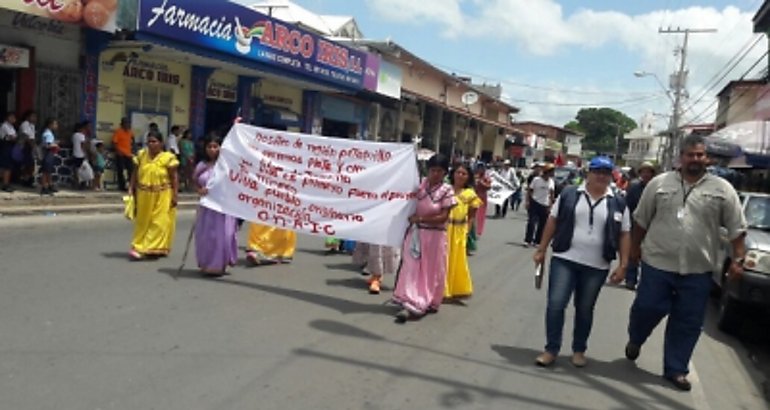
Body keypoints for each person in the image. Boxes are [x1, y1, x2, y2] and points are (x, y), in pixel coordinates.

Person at [625, 135, 746, 391]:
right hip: (657, 263)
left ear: (707, 158)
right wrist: (634, 250)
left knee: (688, 321)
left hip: (698, 269)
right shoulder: (658, 183)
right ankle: (636, 337)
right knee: (647, 307)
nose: (695, 159)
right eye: (691, 155)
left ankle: (676, 369)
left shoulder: (722, 189)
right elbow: (641, 220)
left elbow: (737, 229)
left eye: (700, 155)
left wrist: (739, 259)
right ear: (681, 157)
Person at [532, 156, 630, 368]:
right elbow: (553, 220)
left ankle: (579, 350)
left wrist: (623, 265)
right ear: (589, 173)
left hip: (597, 266)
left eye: (606, 173)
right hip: (565, 258)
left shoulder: (618, 201)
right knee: (556, 304)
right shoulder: (569, 194)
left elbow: (624, 234)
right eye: (597, 172)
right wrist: (541, 249)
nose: (601, 177)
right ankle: (551, 349)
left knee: (585, 309)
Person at [392, 154, 456, 323]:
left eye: (439, 171)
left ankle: (421, 302)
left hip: (434, 236)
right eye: (433, 170)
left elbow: (443, 217)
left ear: (445, 173)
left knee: (429, 270)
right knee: (411, 267)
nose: (435, 174)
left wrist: (420, 219)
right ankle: (407, 300)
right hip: (416, 234)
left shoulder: (447, 190)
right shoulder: (419, 186)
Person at [128, 131, 179, 260]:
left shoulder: (168, 157)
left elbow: (174, 177)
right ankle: (141, 244)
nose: (151, 144)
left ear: (161, 143)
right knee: (143, 221)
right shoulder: (141, 155)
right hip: (143, 193)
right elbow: (135, 173)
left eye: (154, 141)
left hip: (163, 193)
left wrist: (175, 195)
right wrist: (131, 188)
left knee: (159, 221)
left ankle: (144, 248)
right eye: (149, 141)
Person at [194, 136, 238, 277]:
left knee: (223, 236)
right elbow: (194, 181)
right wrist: (200, 190)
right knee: (207, 236)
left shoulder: (226, 165)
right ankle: (207, 264)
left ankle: (220, 265)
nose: (212, 150)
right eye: (209, 147)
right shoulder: (202, 165)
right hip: (207, 208)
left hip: (223, 207)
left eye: (215, 146)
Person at [445, 163, 482, 300]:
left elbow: (472, 216)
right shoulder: (445, 190)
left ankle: (454, 288)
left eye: (464, 174)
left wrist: (467, 231)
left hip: (459, 230)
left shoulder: (470, 194)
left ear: (468, 177)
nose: (460, 176)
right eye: (458, 172)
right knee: (442, 259)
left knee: (455, 259)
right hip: (443, 228)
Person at [623, 162, 656, 290]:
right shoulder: (635, 188)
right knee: (634, 251)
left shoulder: (657, 187)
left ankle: (646, 282)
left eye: (649, 172)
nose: (646, 174)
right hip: (635, 223)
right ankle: (630, 278)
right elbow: (628, 205)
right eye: (644, 172)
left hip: (653, 226)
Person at [524, 163, 555, 247]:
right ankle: (528, 240)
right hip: (535, 202)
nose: (552, 174)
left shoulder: (551, 182)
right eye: (551, 172)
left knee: (542, 224)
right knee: (531, 222)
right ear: (547, 172)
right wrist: (527, 202)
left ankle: (537, 241)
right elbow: (529, 191)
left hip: (545, 204)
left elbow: (551, 194)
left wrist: (551, 205)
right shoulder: (536, 180)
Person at [112, 117, 135, 192]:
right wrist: (118, 151)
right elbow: (114, 142)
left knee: (131, 170)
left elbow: (132, 141)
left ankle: (131, 185)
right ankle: (122, 186)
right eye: (126, 123)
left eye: (128, 123)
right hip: (120, 154)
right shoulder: (118, 132)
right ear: (122, 124)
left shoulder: (130, 132)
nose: (127, 125)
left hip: (128, 154)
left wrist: (133, 151)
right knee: (120, 171)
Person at [38, 118, 59, 196]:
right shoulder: (48, 133)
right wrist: (55, 145)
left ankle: (49, 185)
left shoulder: (48, 133)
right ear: (50, 125)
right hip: (48, 154)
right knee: (45, 171)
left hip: (49, 154)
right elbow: (48, 145)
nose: (56, 126)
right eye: (55, 124)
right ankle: (44, 187)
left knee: (48, 171)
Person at [0, 112, 18, 192]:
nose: (14, 119)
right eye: (12, 117)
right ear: (8, 117)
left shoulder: (11, 126)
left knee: (8, 166)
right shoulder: (5, 125)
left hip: (11, 147)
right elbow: (12, 137)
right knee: (7, 167)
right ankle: (5, 184)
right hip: (6, 146)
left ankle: (6, 182)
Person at [474, 164, 492, 236]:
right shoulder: (475, 176)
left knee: (480, 215)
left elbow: (489, 186)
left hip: (482, 198)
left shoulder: (486, 177)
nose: (480, 170)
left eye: (481, 168)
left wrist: (482, 183)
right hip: (475, 196)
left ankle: (479, 230)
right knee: (473, 214)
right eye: (479, 168)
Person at [71, 121, 89, 189]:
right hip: (81, 155)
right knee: (83, 170)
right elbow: (83, 146)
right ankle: (82, 183)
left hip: (75, 154)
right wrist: (85, 154)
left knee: (76, 169)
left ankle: (76, 183)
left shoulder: (74, 135)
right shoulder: (81, 136)